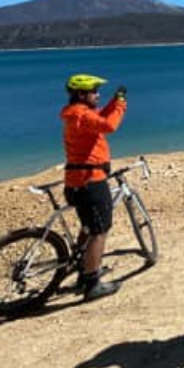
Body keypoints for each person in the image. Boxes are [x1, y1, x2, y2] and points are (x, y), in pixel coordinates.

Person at [62, 73, 128, 301]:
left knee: (88, 227)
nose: (97, 95)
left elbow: (99, 118)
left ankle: (82, 269)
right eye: (94, 91)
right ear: (81, 94)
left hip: (75, 181)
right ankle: (92, 283)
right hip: (91, 180)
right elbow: (109, 125)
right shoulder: (81, 115)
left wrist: (113, 101)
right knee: (100, 231)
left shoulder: (78, 114)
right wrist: (120, 105)